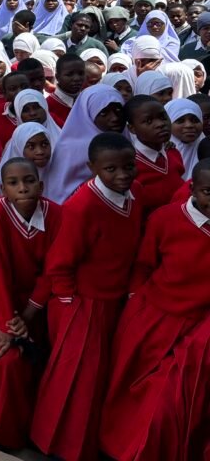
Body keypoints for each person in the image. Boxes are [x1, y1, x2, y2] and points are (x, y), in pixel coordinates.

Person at [31, 132, 146, 461]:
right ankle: (54, 445)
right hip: (83, 304)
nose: (122, 175)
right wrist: (70, 305)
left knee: (96, 380)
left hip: (114, 301)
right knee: (74, 378)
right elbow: (59, 263)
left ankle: (82, 445)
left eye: (129, 166)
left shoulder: (135, 194)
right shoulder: (81, 207)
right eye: (111, 169)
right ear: (92, 167)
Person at [99, 159, 210, 459]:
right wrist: (135, 303)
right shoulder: (166, 218)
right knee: (128, 398)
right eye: (208, 192)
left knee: (166, 404)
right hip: (155, 320)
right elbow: (144, 265)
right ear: (193, 189)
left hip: (198, 336)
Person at [0, 157, 61, 450]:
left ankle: (23, 430)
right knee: (4, 360)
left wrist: (27, 316)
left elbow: (51, 271)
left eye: (29, 181)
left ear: (41, 185)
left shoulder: (55, 215)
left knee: (34, 363)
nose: (22, 188)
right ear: (3, 190)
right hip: (3, 303)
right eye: (13, 183)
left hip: (37, 306)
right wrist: (9, 323)